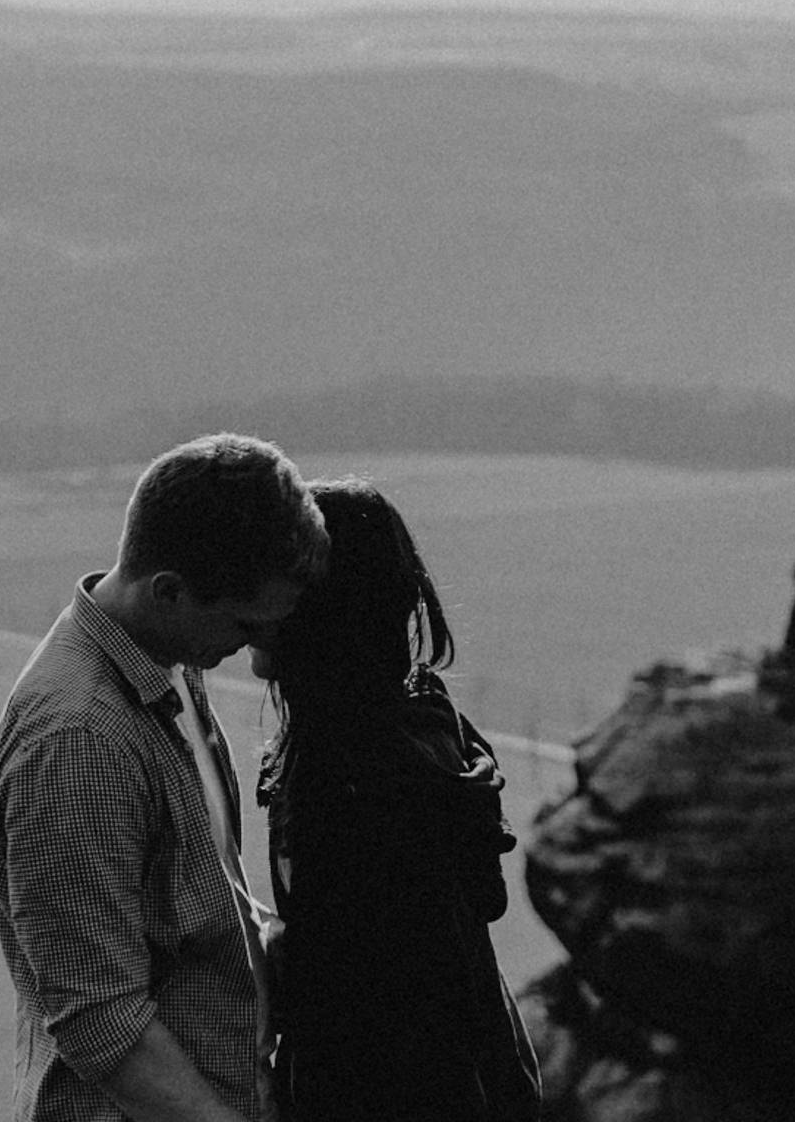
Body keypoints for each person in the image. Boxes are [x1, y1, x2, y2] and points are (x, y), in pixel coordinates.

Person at [0, 434, 329, 1122]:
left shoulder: (170, 664)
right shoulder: (78, 741)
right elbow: (101, 1019)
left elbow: (196, 913)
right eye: (242, 621)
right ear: (168, 590)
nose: (256, 647)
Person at [254, 478, 541, 1122]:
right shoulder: (420, 723)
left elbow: (378, 1024)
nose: (251, 599)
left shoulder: (348, 782)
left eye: (273, 578)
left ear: (317, 606)